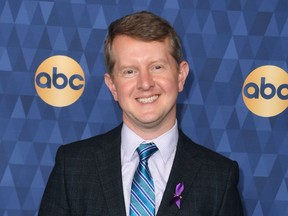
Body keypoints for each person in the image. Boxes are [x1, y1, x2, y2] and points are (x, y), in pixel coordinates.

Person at [39, 11, 243, 216]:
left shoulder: (218, 178)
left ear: (180, 76)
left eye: (157, 67)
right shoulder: (72, 168)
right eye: (130, 71)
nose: (145, 83)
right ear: (112, 86)